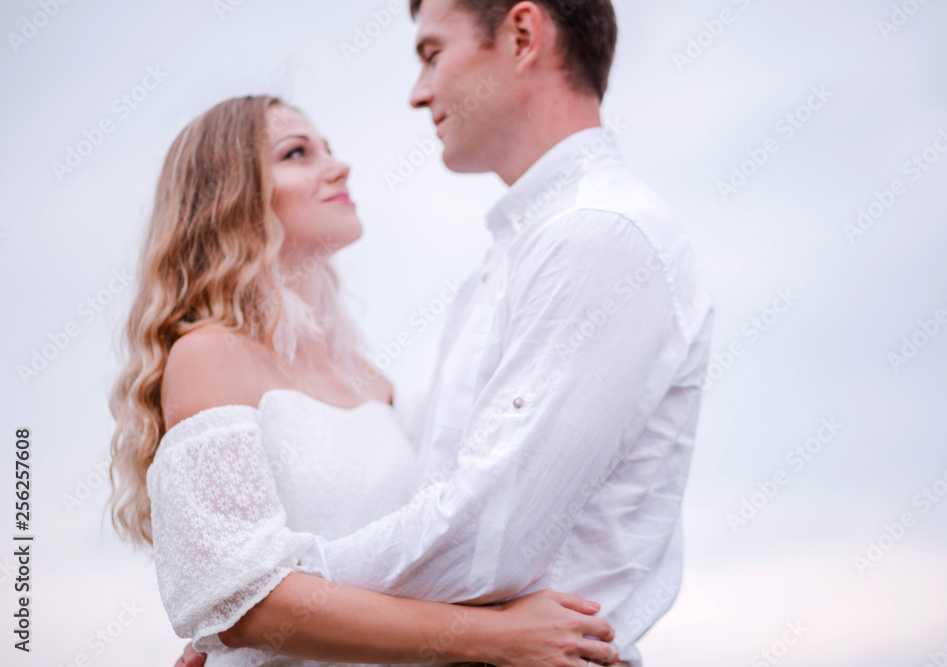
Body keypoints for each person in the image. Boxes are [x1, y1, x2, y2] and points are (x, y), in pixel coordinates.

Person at [181, 0, 714, 665]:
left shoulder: (598, 233)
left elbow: (489, 538)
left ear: (522, 36)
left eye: (432, 53)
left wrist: (260, 604)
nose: (417, 93)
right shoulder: (505, 263)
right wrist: (249, 604)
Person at [107, 94, 621, 666]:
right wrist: (500, 638)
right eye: (297, 153)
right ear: (230, 198)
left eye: (329, 148)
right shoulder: (209, 357)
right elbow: (245, 605)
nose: (339, 165)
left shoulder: (374, 383)